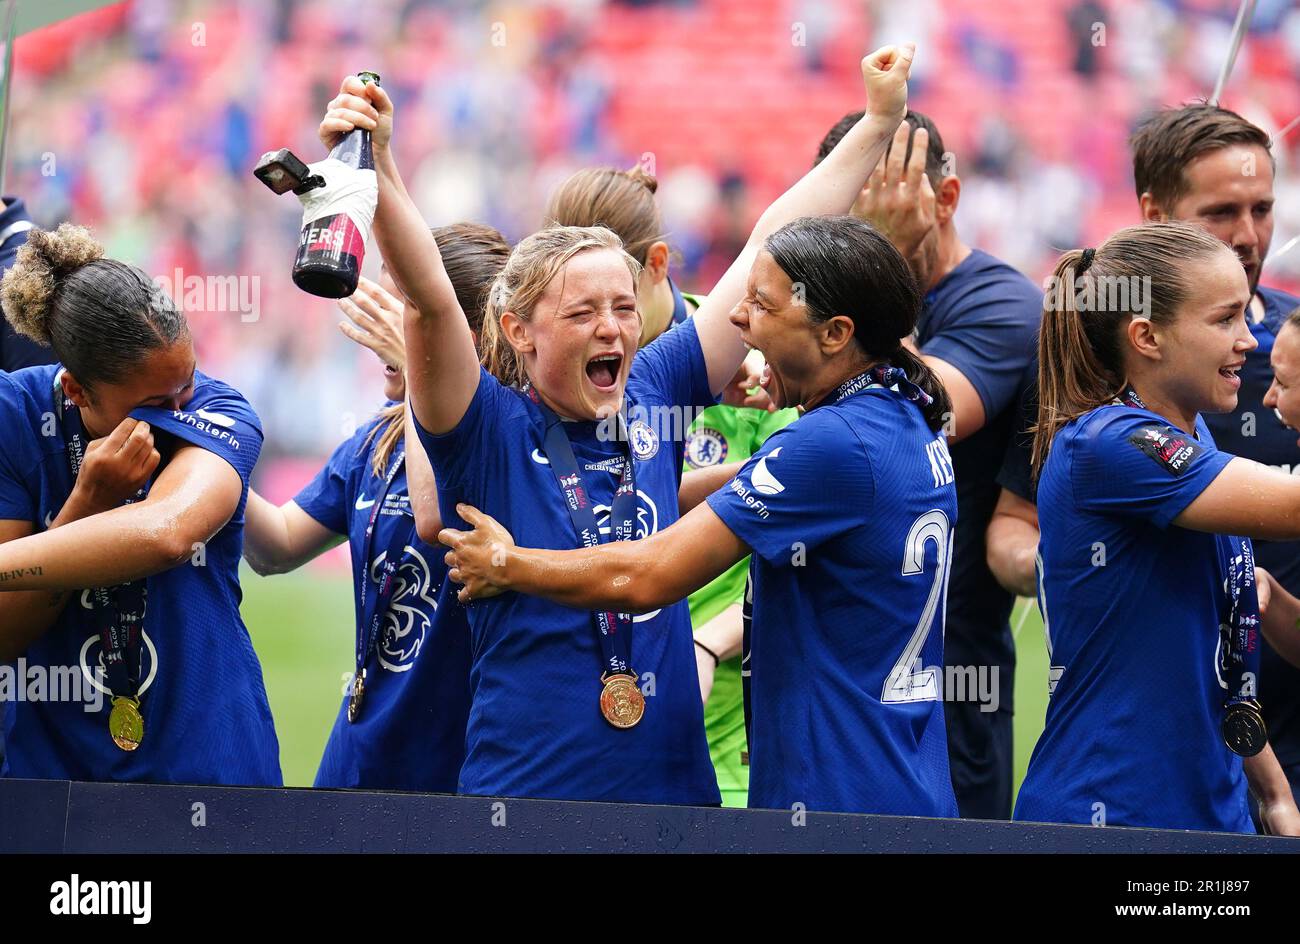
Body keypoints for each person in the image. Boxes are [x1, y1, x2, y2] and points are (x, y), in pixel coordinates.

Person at [319, 42, 917, 804]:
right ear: (519, 330)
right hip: (529, 801)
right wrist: (379, 168)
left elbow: (768, 241)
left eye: (626, 308)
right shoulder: (484, 428)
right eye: (584, 313)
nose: (614, 330)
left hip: (675, 799)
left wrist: (874, 123)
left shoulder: (656, 390)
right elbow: (432, 298)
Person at [440, 215, 959, 817]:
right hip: (907, 781)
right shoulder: (905, 416)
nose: (737, 319)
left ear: (836, 332)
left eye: (761, 306)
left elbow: (648, 577)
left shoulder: (829, 442)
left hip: (837, 799)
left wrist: (511, 564)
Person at [1014, 221, 1300, 834]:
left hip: (1209, 811)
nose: (1247, 340)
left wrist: (1274, 794)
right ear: (1147, 336)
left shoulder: (1188, 431)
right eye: (1225, 320)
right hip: (1116, 811)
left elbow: (1214, 651)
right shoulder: (1112, 442)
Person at [546, 160, 797, 806]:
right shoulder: (559, 380)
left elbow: (792, 531)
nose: (604, 322)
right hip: (596, 695)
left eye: (617, 297)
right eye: (576, 301)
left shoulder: (739, 358)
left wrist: (712, 642)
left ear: (656, 265)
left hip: (730, 700)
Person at [816, 109, 1042, 819]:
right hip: (833, 665)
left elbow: (919, 415)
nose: (856, 243)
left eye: (879, 218)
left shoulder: (1002, 301)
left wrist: (870, 262)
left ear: (944, 199)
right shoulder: (820, 306)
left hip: (950, 678)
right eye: (849, 222)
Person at [0, 223, 279, 785]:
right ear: (77, 391)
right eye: (157, 402)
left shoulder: (223, 409)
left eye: (188, 383)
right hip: (51, 776)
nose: (180, 409)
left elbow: (167, 534)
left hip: (206, 764)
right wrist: (84, 505)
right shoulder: (15, 415)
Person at [242, 224, 508, 791]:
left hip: (459, 764)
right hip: (359, 752)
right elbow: (278, 545)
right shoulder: (375, 440)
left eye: (404, 310)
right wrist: (210, 460)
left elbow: (436, 517)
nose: (378, 331)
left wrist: (420, 373)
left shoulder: (510, 432)